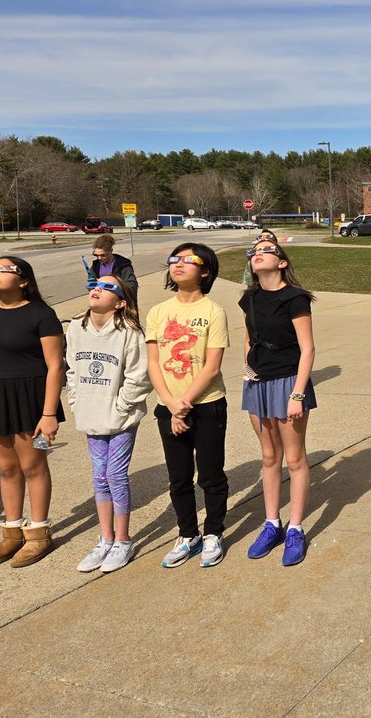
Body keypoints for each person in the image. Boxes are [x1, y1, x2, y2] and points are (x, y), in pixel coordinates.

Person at [0, 256, 65, 568]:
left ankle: (38, 534)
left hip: (30, 400)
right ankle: (12, 533)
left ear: (23, 281)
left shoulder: (42, 314)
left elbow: (55, 366)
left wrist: (49, 414)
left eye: (4, 269)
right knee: (7, 469)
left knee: (33, 466)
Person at [145, 242, 230, 569]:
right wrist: (171, 404)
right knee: (178, 477)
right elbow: (153, 362)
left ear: (205, 271)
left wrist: (185, 403)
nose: (178, 264)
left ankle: (213, 532)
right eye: (174, 260)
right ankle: (188, 534)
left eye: (188, 260)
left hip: (207, 405)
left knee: (210, 475)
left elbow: (212, 366)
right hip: (168, 405)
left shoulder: (213, 311)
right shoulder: (158, 312)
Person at [66, 275, 153, 574]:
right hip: (91, 415)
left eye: (107, 287)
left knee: (115, 475)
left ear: (120, 303)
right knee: (99, 476)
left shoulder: (129, 332)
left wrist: (122, 406)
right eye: (93, 285)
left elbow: (140, 376)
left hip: (121, 418)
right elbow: (72, 369)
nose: (97, 289)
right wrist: (77, 401)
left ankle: (123, 541)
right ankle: (105, 539)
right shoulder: (76, 327)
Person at [240, 240, 317, 566]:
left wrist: (297, 394)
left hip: (288, 383)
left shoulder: (295, 298)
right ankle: (272, 524)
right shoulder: (249, 298)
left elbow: (308, 349)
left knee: (295, 459)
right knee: (269, 457)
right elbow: (248, 338)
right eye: (254, 251)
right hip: (258, 384)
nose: (257, 253)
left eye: (266, 249)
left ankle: (296, 529)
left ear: (282, 262)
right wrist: (246, 368)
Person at [89, 233, 138, 299]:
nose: (99, 258)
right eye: (96, 255)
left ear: (111, 251)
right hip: (102, 302)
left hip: (119, 301)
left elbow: (132, 285)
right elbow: (91, 283)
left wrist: (114, 288)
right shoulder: (95, 266)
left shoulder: (123, 264)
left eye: (103, 255)